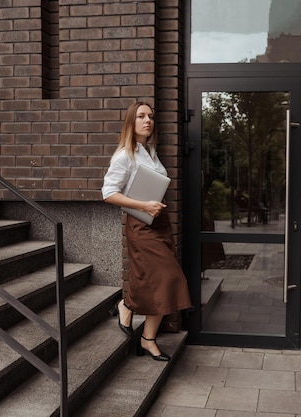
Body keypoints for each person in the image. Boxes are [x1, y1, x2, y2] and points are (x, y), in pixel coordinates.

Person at [102, 101, 192, 361]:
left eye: (150, 116)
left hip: (160, 223)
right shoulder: (125, 155)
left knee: (154, 281)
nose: (148, 120)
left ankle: (147, 336)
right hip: (141, 225)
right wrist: (143, 204)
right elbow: (108, 194)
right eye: (141, 116)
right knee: (168, 278)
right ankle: (127, 305)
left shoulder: (150, 152)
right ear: (131, 121)